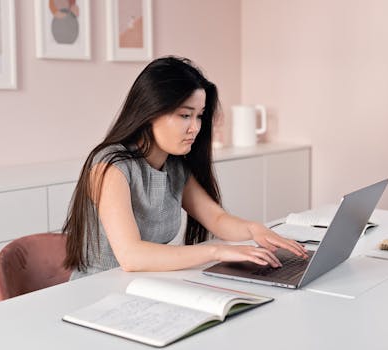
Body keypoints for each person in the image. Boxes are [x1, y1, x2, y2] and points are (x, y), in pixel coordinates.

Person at [63, 56, 308, 280]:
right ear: (151, 112)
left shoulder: (174, 166)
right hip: (97, 287)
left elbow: (217, 218)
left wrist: (256, 230)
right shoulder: (111, 166)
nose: (195, 127)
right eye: (185, 115)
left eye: (199, 116)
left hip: (145, 282)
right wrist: (217, 251)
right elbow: (131, 255)